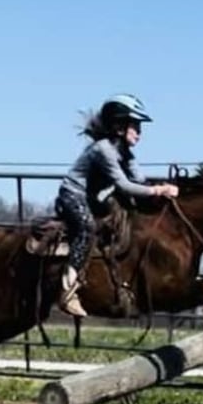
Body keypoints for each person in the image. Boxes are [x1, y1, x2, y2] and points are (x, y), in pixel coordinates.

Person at [54, 93, 179, 317]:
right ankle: (68, 290)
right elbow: (124, 185)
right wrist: (159, 190)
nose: (139, 132)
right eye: (136, 126)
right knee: (86, 228)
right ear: (120, 126)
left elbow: (139, 181)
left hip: (93, 198)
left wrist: (161, 190)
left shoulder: (126, 153)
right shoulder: (104, 150)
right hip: (72, 195)